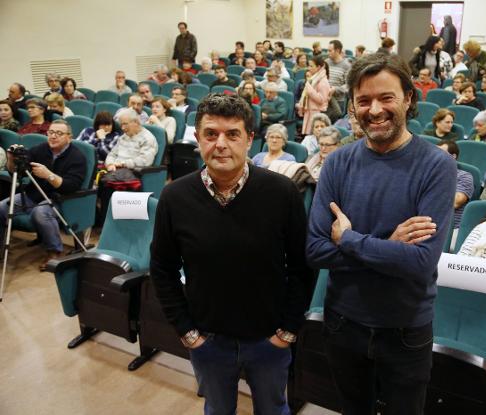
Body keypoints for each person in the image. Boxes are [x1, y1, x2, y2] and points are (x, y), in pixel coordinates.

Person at [307, 52, 456, 414]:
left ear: (408, 98)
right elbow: (314, 249)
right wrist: (389, 247)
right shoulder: (338, 162)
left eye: (386, 97)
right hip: (343, 323)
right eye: (363, 101)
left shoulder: (437, 166)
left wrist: (353, 240)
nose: (374, 110)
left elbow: (420, 262)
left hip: (404, 330)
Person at [150, 93, 311, 414]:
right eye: (211, 134)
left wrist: (287, 330)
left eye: (232, 134)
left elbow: (302, 267)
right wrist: (187, 332)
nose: (220, 144)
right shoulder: (174, 196)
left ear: (250, 139)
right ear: (197, 139)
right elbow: (162, 268)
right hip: (208, 341)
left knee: (273, 410)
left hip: (269, 339)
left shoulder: (283, 193)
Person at [0, 119, 86, 270]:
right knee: (1, 207)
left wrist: (49, 175)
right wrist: (11, 159)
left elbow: (70, 186)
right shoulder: (40, 149)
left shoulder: (77, 157)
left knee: (40, 212)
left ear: (69, 137)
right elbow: (16, 171)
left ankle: (54, 251)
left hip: (60, 199)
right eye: (51, 132)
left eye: (59, 133)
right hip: (33, 195)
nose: (53, 136)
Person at [436, 140, 473, 232]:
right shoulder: (428, 173)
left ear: (453, 157)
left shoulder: (464, 176)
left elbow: (455, 202)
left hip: (452, 229)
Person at [297, 55, 331, 135]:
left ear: (318, 67)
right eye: (309, 66)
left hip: (317, 114)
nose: (309, 68)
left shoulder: (323, 81)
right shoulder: (314, 78)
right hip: (310, 111)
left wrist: (308, 88)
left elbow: (321, 100)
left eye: (311, 66)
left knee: (314, 137)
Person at [326, 40, 352, 112]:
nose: (328, 53)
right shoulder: (326, 62)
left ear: (337, 51)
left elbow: (348, 85)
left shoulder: (346, 66)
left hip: (338, 102)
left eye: (330, 51)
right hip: (325, 99)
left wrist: (335, 89)